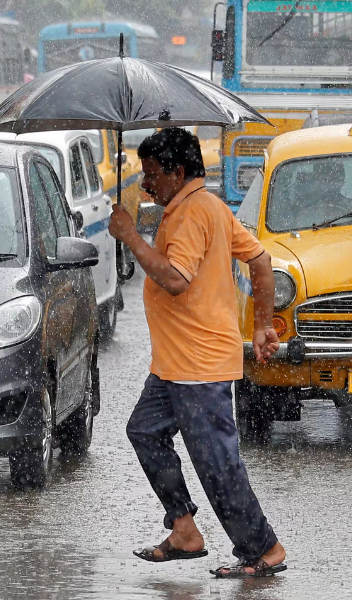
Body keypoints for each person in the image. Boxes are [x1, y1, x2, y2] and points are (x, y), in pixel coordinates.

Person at [107, 127, 288, 579]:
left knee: (216, 462)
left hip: (197, 366)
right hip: (174, 366)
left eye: (152, 175)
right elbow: (261, 260)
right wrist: (262, 324)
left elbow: (174, 279)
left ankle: (263, 549)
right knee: (145, 432)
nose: (146, 184)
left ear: (177, 171)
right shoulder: (206, 206)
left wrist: (130, 237)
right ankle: (185, 530)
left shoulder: (191, 214)